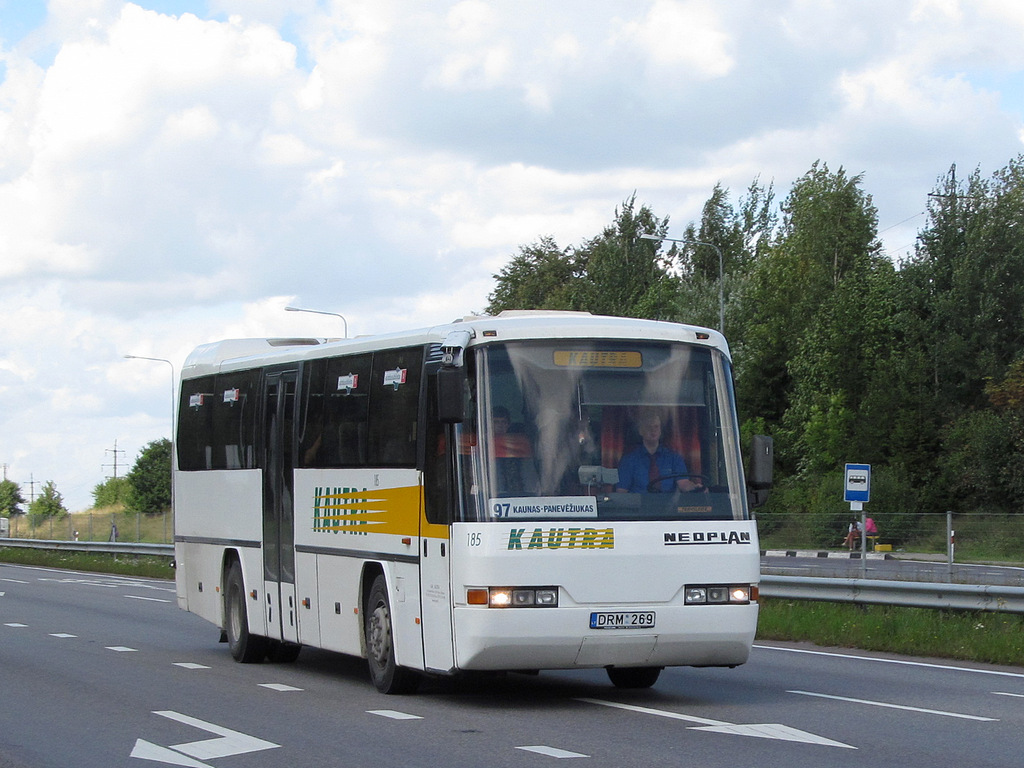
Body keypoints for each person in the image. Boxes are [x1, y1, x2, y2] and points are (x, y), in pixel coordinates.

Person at [616, 412, 702, 494]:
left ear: (660, 431)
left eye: (656, 427)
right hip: (640, 507)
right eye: (649, 427)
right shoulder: (628, 460)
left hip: (668, 507)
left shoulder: (674, 458)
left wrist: (695, 487)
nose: (653, 430)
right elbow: (622, 492)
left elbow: (683, 483)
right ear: (641, 431)